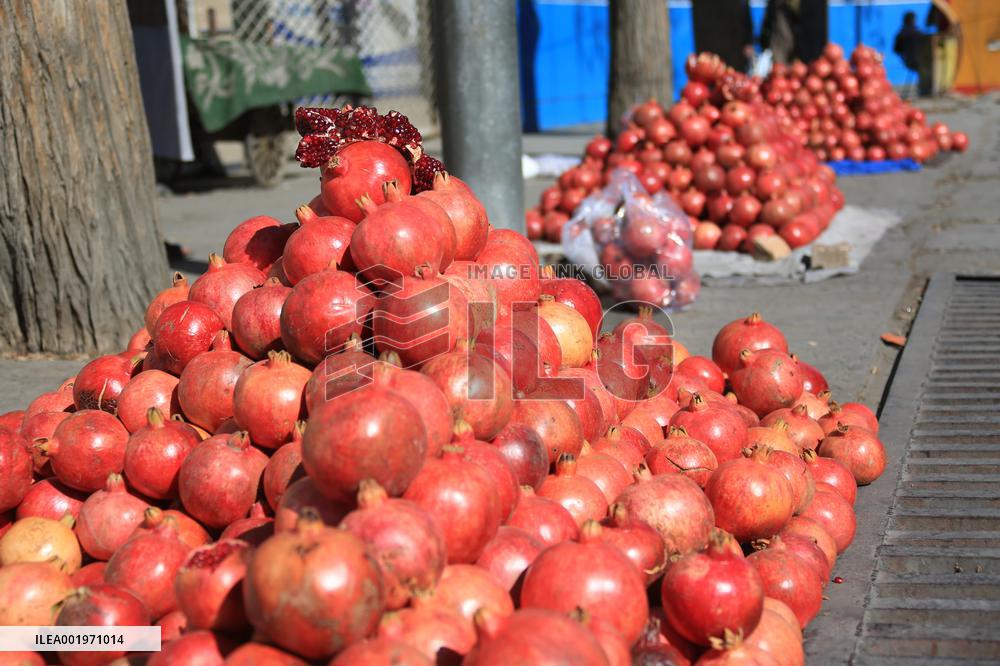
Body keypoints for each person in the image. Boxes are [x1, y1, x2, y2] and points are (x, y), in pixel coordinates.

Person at [693, 0, 754, 72]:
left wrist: (748, 40)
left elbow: (745, 11)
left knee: (734, 75)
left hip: (735, 45)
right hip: (710, 41)